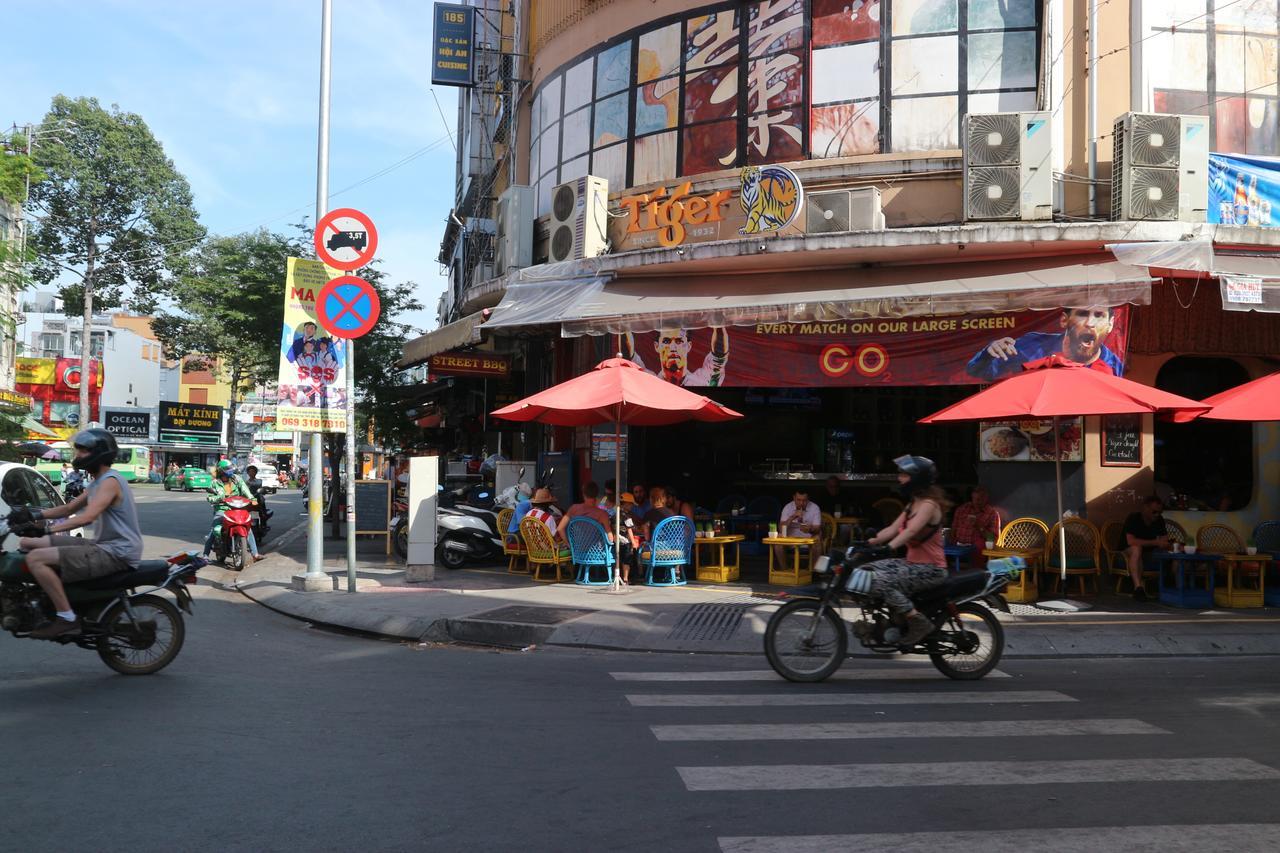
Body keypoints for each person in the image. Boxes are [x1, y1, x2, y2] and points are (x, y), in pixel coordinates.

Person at [16, 429, 145, 639]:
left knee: (36, 558)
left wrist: (46, 528)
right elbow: (68, 509)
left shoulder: (110, 482)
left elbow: (87, 517)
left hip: (117, 552)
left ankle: (67, 617)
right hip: (102, 545)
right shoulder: (97, 482)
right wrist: (30, 515)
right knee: (28, 542)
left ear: (100, 454)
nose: (78, 456)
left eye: (83, 452)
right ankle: (41, 597)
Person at [857, 455, 952, 647]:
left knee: (881, 581)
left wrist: (888, 548)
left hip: (931, 569)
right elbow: (893, 529)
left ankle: (917, 621)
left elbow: (911, 531)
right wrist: (870, 543)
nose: (899, 479)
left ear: (917, 479)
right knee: (865, 571)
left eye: (904, 475)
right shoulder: (912, 504)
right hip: (912, 564)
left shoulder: (928, 505)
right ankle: (890, 618)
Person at [966, 307, 1123, 381]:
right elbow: (978, 372)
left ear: (1110, 324)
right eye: (1082, 314)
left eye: (1099, 315)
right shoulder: (1031, 346)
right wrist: (988, 354)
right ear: (1064, 320)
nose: (1090, 323)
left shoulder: (1115, 369)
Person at [203, 460, 264, 564]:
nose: (230, 471)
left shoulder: (237, 479)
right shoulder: (215, 483)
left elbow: (245, 490)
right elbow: (210, 497)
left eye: (231, 469)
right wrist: (218, 498)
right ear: (221, 471)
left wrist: (252, 499)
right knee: (214, 530)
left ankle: (255, 554)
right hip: (222, 509)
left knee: (247, 528)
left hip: (237, 508)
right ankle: (205, 555)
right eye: (228, 469)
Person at [624, 327, 730, 387]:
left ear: (689, 346)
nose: (673, 347)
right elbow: (628, 358)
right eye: (666, 341)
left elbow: (718, 357)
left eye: (679, 341)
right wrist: (622, 325)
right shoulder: (650, 384)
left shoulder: (703, 382)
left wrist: (718, 324)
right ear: (657, 346)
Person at [1123, 495, 1169, 602]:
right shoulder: (1134, 518)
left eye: (1160, 512)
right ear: (1145, 508)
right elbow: (1131, 541)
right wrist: (1156, 542)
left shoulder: (1159, 520)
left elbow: (1164, 540)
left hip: (1149, 552)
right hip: (1127, 550)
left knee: (1169, 554)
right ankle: (1138, 587)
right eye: (1154, 512)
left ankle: (1170, 589)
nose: (1157, 515)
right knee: (1137, 549)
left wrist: (1165, 544)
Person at [774, 489, 822, 567]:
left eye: (804, 500)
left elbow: (817, 528)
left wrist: (810, 529)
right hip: (790, 539)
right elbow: (781, 529)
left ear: (808, 499)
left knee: (817, 538)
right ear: (794, 498)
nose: (801, 503)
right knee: (778, 540)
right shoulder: (788, 507)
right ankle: (785, 569)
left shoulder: (814, 508)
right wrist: (792, 517)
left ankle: (814, 571)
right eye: (799, 500)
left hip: (808, 539)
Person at [951, 485, 1001, 557]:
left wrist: (979, 526)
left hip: (976, 547)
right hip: (958, 545)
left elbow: (993, 538)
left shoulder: (992, 514)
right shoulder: (962, 509)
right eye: (975, 499)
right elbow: (954, 527)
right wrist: (952, 540)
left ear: (986, 498)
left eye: (980, 499)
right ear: (972, 497)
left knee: (979, 544)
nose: (977, 501)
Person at [244, 464, 273, 532]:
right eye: (250, 471)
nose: (251, 473)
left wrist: (263, 490)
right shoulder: (245, 482)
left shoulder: (259, 481)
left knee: (261, 511)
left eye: (253, 471)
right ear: (248, 473)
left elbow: (262, 489)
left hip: (256, 498)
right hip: (248, 499)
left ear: (256, 472)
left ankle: (264, 523)